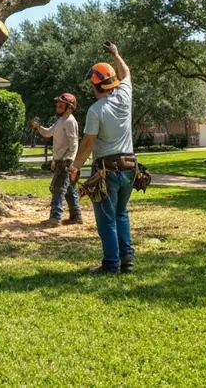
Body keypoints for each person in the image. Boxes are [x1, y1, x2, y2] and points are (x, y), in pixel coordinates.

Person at [72, 42, 135, 274]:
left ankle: (111, 265)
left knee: (107, 218)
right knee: (121, 213)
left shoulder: (96, 110)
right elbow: (126, 73)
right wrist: (117, 54)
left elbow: (88, 142)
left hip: (106, 170)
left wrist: (74, 166)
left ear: (95, 85)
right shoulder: (125, 97)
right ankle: (127, 259)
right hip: (130, 167)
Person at [32, 93, 82, 227]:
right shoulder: (60, 121)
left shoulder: (70, 121)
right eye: (57, 103)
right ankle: (76, 216)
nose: (57, 105)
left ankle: (55, 218)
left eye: (61, 103)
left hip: (65, 162)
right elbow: (48, 133)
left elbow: (74, 144)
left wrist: (70, 163)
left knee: (58, 189)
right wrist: (38, 127)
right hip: (61, 160)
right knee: (68, 189)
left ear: (69, 107)